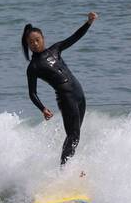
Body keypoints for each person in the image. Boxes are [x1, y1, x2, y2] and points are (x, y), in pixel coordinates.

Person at [23, 12, 98, 166]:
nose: (35, 44)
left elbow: (74, 38)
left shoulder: (55, 49)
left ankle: (69, 167)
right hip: (66, 98)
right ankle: (64, 171)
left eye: (37, 40)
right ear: (28, 45)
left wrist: (88, 23)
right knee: (73, 135)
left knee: (74, 135)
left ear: (43, 38)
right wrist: (43, 108)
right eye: (31, 43)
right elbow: (32, 93)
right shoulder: (33, 67)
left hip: (79, 95)